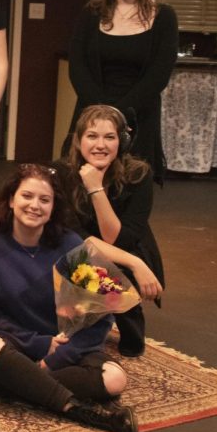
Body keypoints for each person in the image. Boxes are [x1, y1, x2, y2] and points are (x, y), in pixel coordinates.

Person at [0, 164, 148, 432]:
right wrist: (39, 344)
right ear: (12, 199)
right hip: (15, 344)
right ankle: (85, 413)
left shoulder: (70, 244)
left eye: (44, 200)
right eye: (27, 196)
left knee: (115, 379)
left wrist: (54, 359)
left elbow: (102, 314)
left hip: (63, 347)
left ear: (53, 208)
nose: (34, 205)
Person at [67, 0, 179, 183]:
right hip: (91, 114)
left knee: (131, 188)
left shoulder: (164, 17)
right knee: (80, 189)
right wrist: (101, 113)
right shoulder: (91, 13)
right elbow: (77, 65)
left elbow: (159, 74)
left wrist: (120, 114)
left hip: (139, 116)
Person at [64, 104, 165, 357]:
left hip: (128, 250)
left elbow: (120, 239)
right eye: (92, 136)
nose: (101, 145)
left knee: (98, 267)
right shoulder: (62, 175)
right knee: (79, 259)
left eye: (110, 137)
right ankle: (94, 318)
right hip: (84, 252)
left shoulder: (139, 175)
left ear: (123, 141)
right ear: (78, 141)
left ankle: (128, 318)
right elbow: (77, 239)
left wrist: (96, 189)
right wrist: (134, 264)